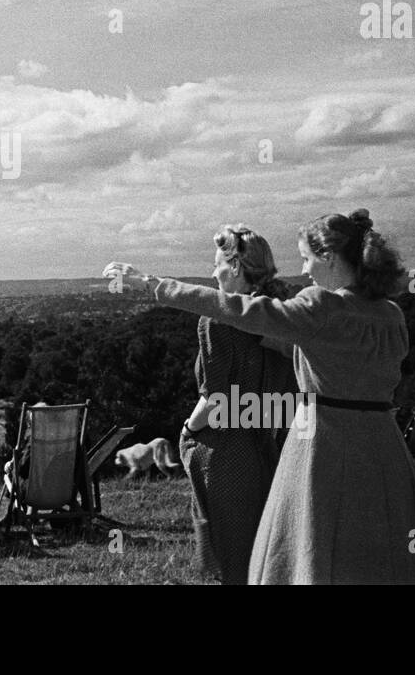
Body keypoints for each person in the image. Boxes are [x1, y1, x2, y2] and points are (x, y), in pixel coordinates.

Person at [105, 208, 415, 585]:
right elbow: (340, 355)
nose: (306, 270)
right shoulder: (391, 314)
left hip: (324, 440)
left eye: (308, 259)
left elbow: (233, 308)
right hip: (383, 443)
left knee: (314, 540)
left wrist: (152, 283)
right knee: (385, 538)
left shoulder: (323, 306)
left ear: (328, 257)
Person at [177, 224, 296, 585]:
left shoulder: (216, 321)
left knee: (228, 556)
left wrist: (188, 429)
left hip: (225, 450)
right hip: (268, 448)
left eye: (217, 263)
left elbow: (214, 399)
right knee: (266, 557)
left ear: (236, 268)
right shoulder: (280, 316)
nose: (212, 272)